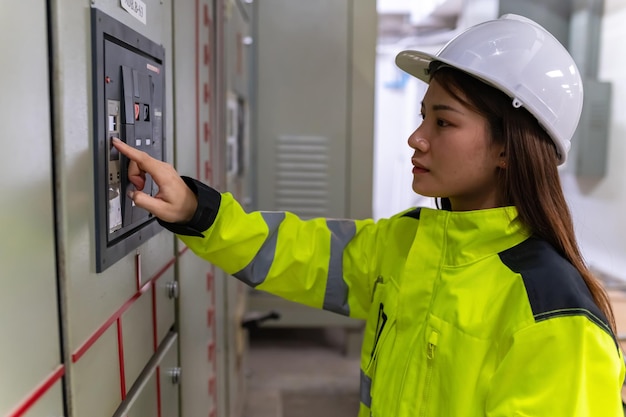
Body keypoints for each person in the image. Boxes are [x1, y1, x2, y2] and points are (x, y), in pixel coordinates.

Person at [112, 14, 625, 417]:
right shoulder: (408, 244)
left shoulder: (555, 316)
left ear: (508, 150)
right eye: (423, 115)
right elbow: (296, 251)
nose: (416, 138)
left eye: (443, 122)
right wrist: (195, 210)